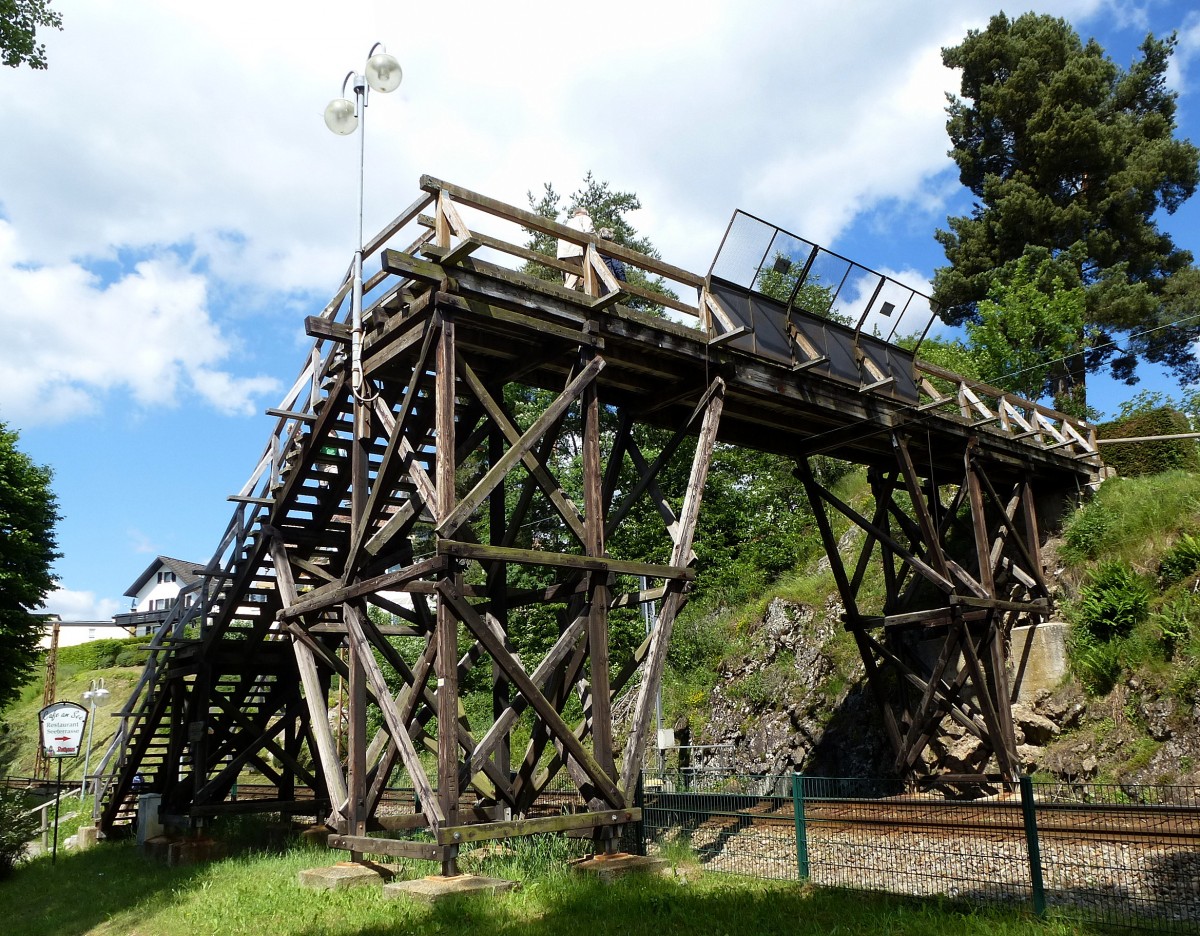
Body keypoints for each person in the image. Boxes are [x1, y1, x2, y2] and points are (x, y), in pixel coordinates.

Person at [557, 206, 592, 289]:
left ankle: (566, 295)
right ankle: (589, 296)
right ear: (585, 213)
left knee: (571, 277)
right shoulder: (585, 218)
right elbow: (590, 232)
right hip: (578, 250)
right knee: (589, 274)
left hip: (565, 253)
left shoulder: (568, 222)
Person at [597, 227, 627, 293]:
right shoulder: (611, 250)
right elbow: (618, 267)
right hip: (609, 282)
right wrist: (624, 283)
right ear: (610, 239)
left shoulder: (595, 249)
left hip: (595, 281)